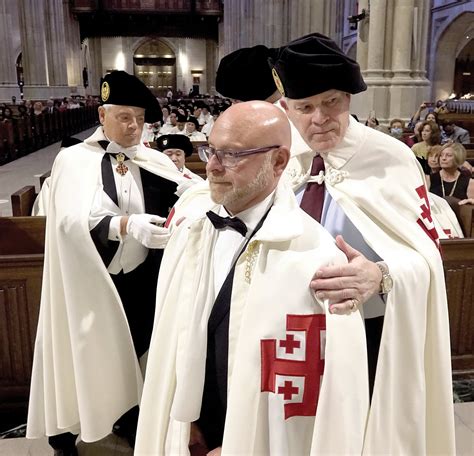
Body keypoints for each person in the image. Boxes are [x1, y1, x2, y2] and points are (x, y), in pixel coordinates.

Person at [135, 101, 369, 455]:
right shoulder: (191, 235)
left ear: (278, 161)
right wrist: (180, 422)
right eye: (210, 150)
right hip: (194, 432)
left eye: (231, 155)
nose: (211, 166)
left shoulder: (318, 259)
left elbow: (330, 395)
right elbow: (173, 341)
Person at [270, 33, 454, 454]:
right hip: (290, 328)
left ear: (350, 98)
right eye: (305, 107)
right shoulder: (280, 158)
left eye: (332, 101)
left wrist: (381, 274)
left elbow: (428, 255)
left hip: (368, 329)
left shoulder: (390, 157)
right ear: (287, 109)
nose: (319, 118)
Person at [26, 71, 191, 455]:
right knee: (79, 353)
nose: (133, 126)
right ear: (102, 116)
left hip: (137, 279)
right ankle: (64, 433)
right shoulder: (73, 160)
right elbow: (67, 220)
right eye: (124, 117)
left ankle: (129, 418)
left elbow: (190, 195)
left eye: (139, 118)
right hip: (89, 280)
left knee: (133, 351)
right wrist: (124, 224)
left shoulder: (153, 160)